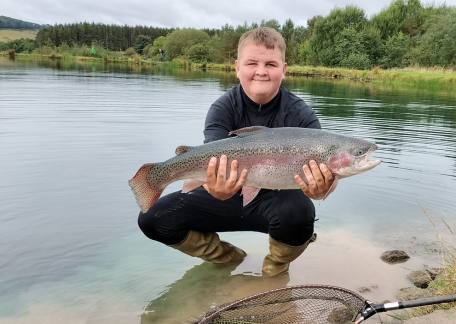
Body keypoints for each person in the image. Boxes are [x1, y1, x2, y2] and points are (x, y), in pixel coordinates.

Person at [138, 27, 334, 277]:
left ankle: (274, 271)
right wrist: (213, 187)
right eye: (252, 63)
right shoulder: (222, 107)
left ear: (284, 70)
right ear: (237, 67)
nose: (261, 71)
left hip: (277, 203)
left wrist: (322, 190)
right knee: (152, 219)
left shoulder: (302, 116)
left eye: (271, 64)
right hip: (224, 196)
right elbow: (212, 163)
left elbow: (325, 181)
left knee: (301, 211)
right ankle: (230, 260)